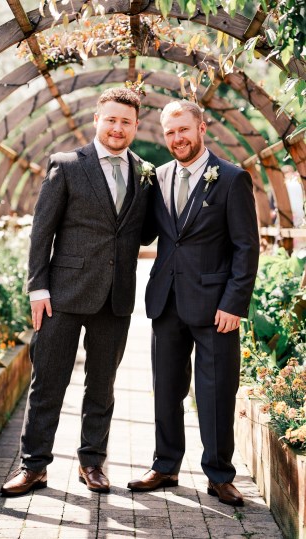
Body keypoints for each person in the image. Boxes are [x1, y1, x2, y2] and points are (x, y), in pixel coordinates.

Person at [1, 87, 150, 496]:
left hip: (115, 298)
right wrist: (37, 289)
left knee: (102, 387)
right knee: (48, 383)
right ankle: (33, 467)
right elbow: (41, 231)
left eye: (126, 121)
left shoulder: (145, 173)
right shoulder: (66, 165)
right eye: (111, 119)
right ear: (97, 121)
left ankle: (92, 463)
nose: (118, 128)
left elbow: (146, 230)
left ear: (137, 126)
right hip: (62, 295)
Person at [128, 101, 259, 506]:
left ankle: (219, 474)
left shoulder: (233, 179)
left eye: (183, 129)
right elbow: (147, 232)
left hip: (215, 306)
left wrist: (234, 304)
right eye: (169, 132)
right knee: (165, 389)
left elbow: (245, 247)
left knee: (216, 392)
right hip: (165, 300)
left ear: (201, 128)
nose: (177, 139)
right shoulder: (159, 177)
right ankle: (165, 465)